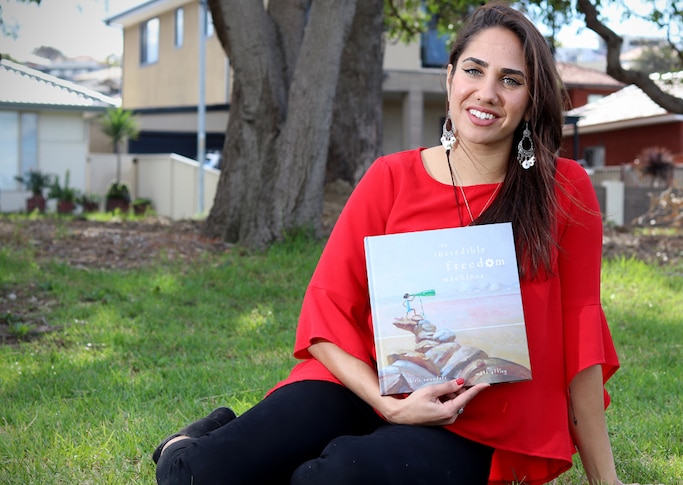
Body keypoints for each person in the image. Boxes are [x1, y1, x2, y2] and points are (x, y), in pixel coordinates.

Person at [152, 4, 629, 484]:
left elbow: (581, 337)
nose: (486, 93)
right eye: (473, 70)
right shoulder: (390, 178)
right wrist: (386, 405)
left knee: (327, 479)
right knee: (199, 474)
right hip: (360, 389)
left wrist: (606, 481)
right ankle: (189, 443)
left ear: (531, 97)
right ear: (449, 79)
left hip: (476, 427)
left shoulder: (563, 191)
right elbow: (326, 312)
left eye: (510, 80)